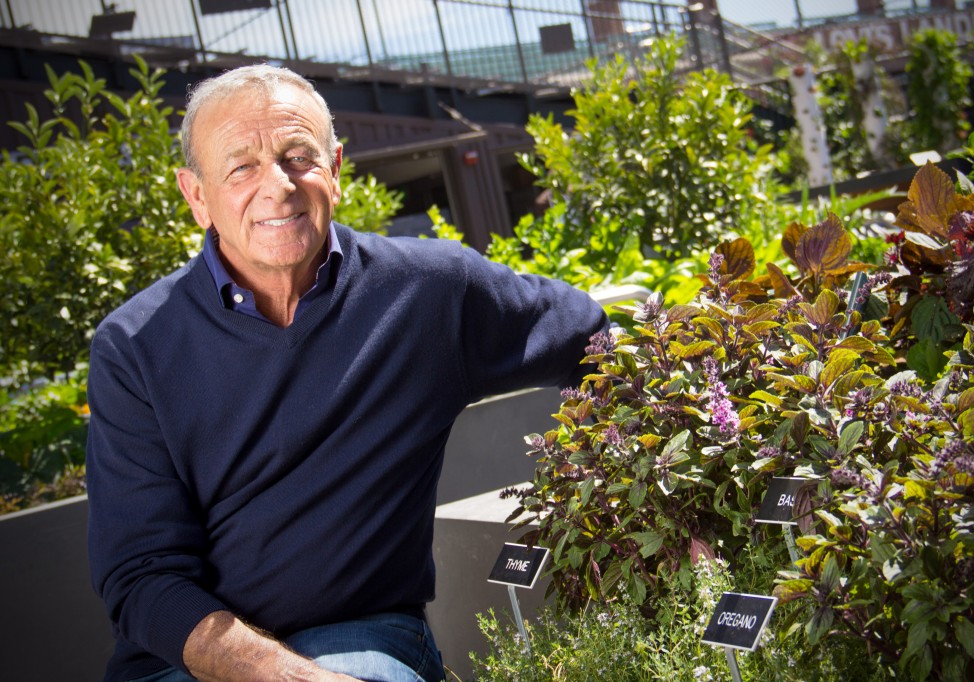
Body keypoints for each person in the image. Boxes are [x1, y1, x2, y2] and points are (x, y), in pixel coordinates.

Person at [85, 64, 607, 682]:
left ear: (334, 171)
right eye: (241, 167)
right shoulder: (134, 345)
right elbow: (143, 575)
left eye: (297, 156)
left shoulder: (429, 293)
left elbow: (599, 341)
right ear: (196, 195)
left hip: (363, 632)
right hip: (189, 660)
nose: (277, 186)